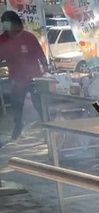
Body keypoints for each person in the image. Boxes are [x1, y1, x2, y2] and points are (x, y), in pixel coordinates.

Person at [0, 11, 47, 141]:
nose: (5, 24)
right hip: (16, 78)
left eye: (8, 21)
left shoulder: (28, 37)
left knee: (39, 104)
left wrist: (45, 67)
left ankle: (47, 127)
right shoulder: (3, 39)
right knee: (16, 104)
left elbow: (40, 54)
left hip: (34, 77)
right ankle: (18, 125)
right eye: (4, 21)